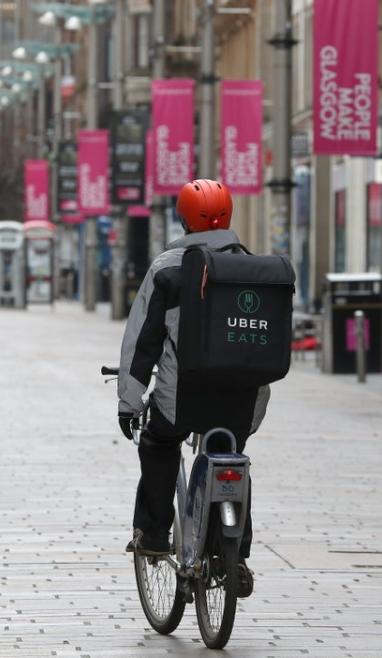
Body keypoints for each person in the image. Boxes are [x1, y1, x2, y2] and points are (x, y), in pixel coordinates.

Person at [116, 179, 269, 598]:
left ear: (183, 218)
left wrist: (128, 404)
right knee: (230, 454)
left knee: (159, 443)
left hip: (180, 399)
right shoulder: (257, 270)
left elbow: (142, 342)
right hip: (243, 398)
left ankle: (151, 533)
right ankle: (233, 553)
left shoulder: (167, 269)